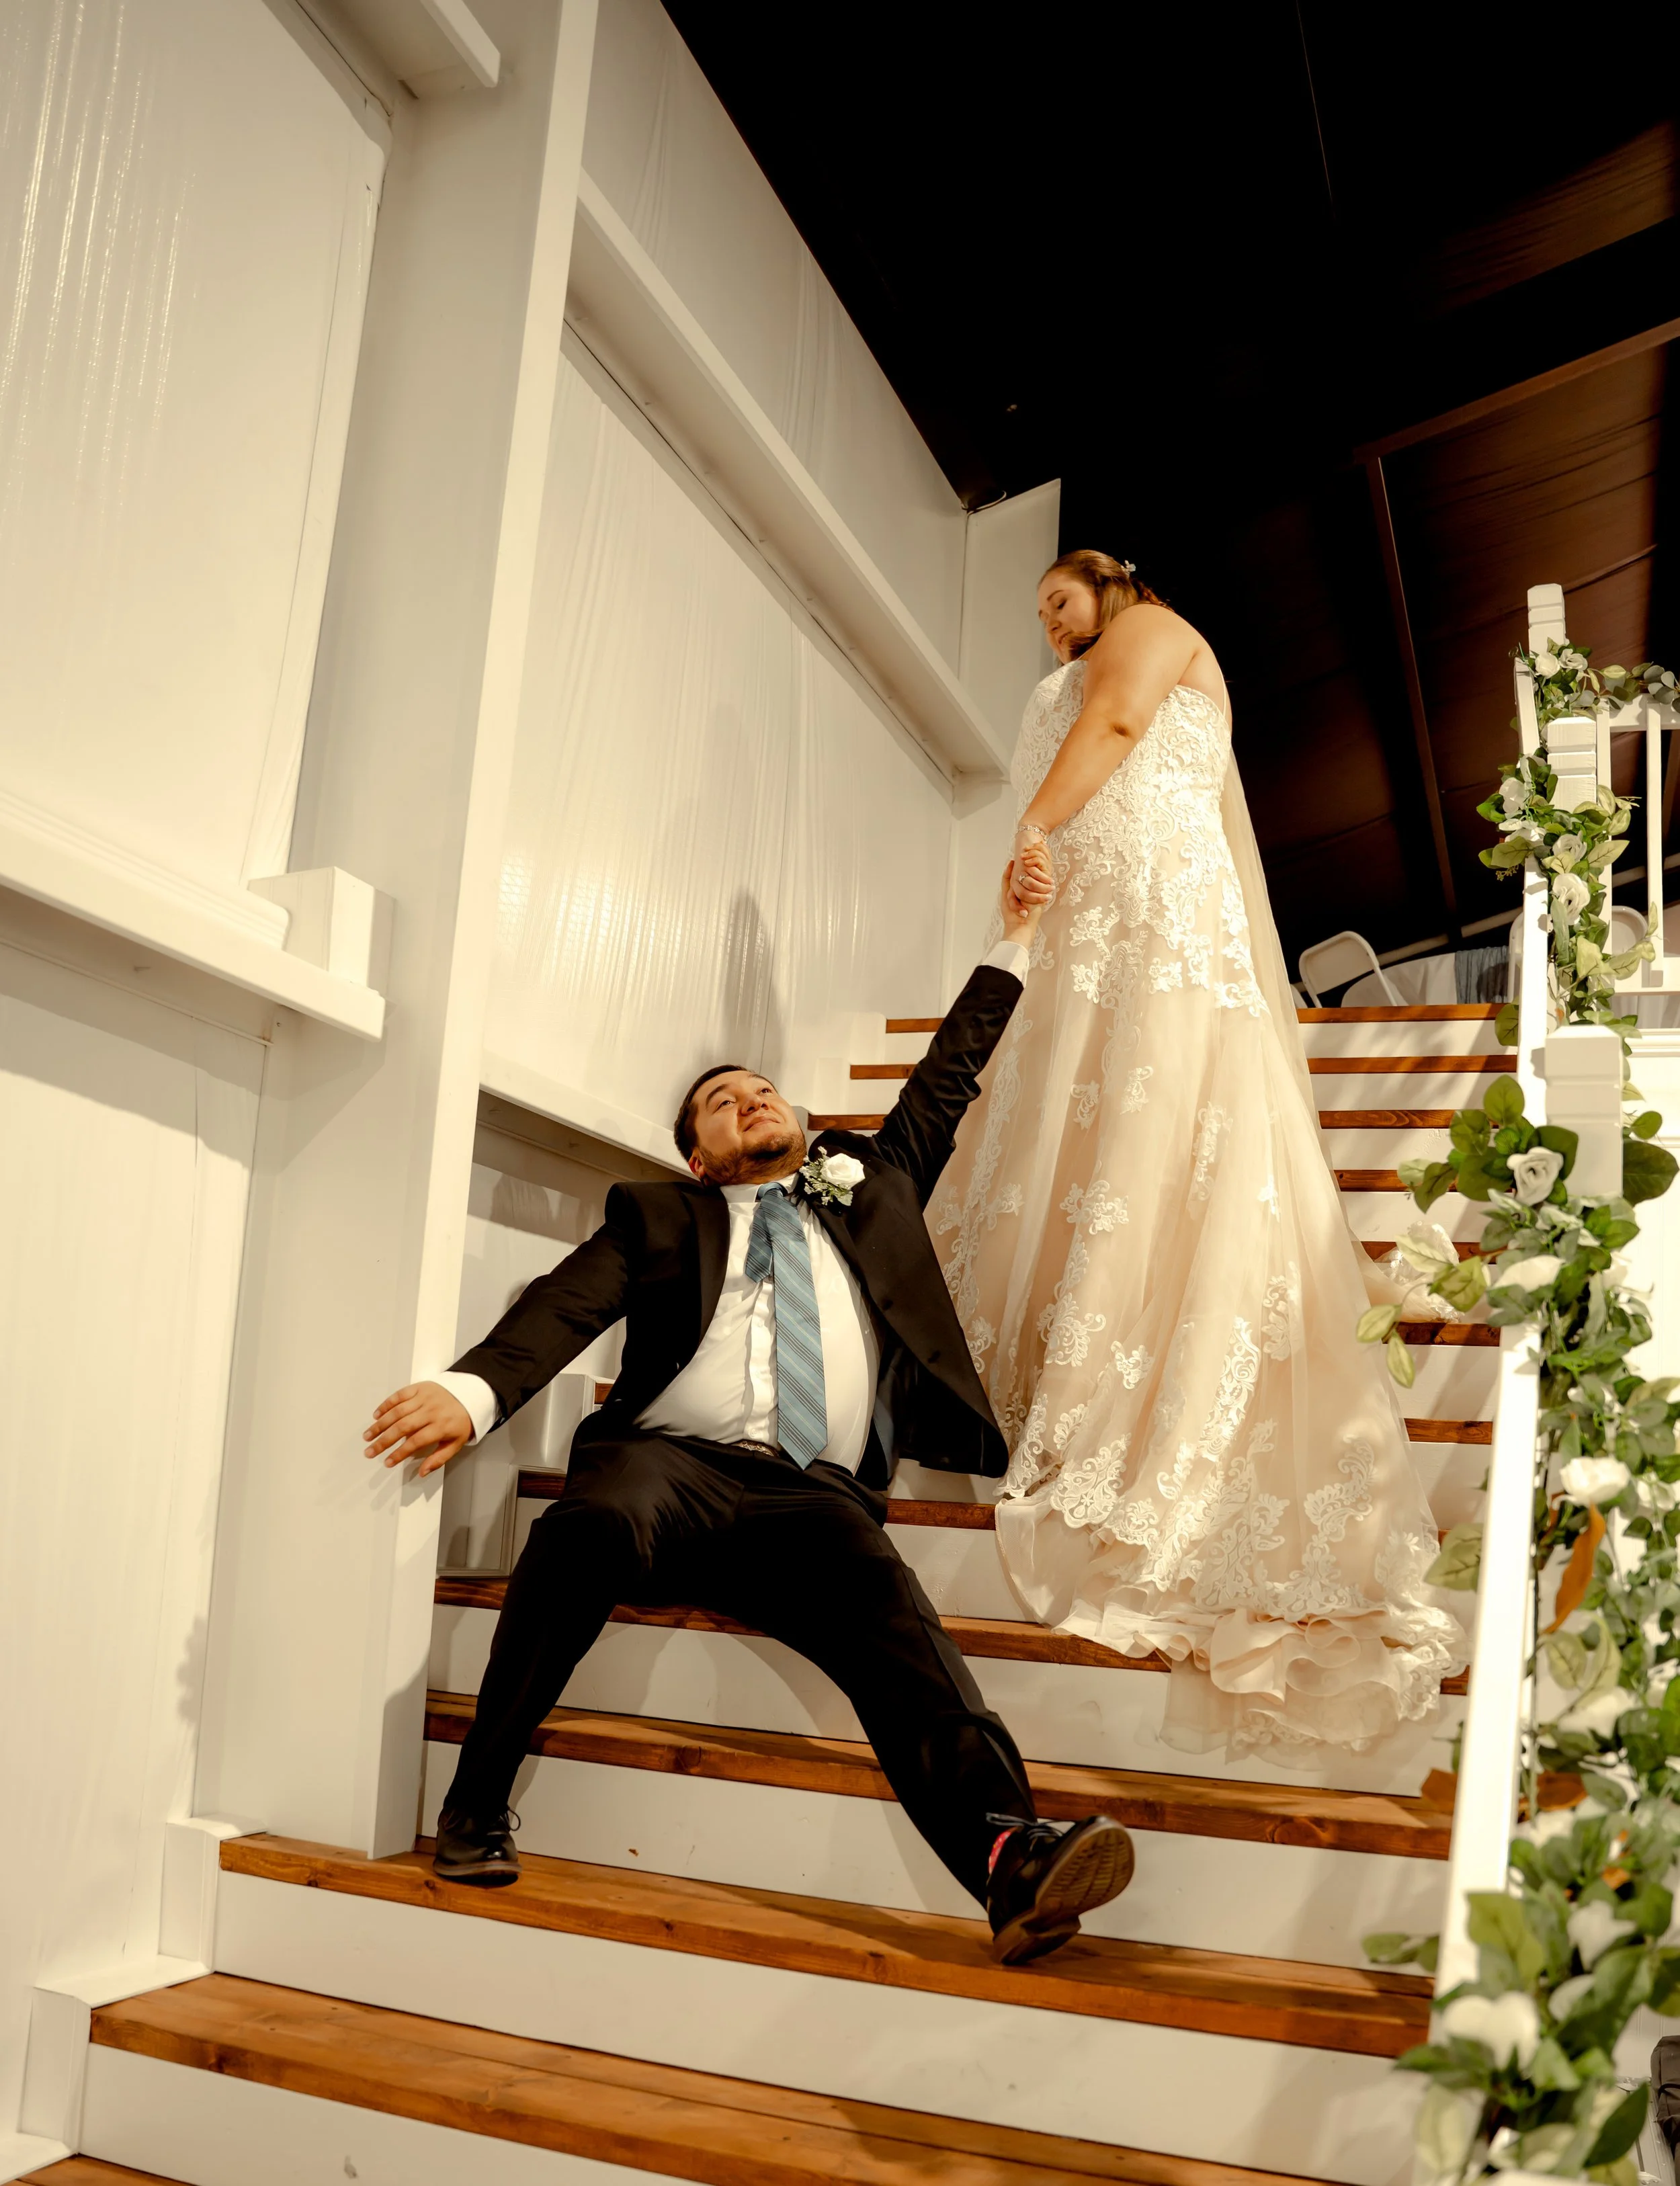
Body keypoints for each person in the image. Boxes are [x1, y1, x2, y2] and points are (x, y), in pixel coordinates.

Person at [365, 868, 1133, 1966]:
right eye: (723, 1103)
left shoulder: (874, 1179)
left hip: (811, 1500)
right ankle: (475, 1802)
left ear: (805, 1118)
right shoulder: (659, 1215)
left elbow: (950, 1074)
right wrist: (473, 1391)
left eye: (763, 1088)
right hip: (668, 1466)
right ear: (698, 1154)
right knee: (584, 1527)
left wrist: (1014, 938)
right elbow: (564, 1305)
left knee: (894, 1618)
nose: (751, 1101)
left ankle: (1009, 1860)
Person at [931, 551, 1464, 1758]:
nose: (1046, 624)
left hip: (1159, 905)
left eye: (1055, 600)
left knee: (1164, 1118)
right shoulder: (1083, 663)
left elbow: (1120, 719)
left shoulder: (1155, 629)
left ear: (1109, 583)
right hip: (1097, 912)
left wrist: (1031, 824)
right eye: (1036, 613)